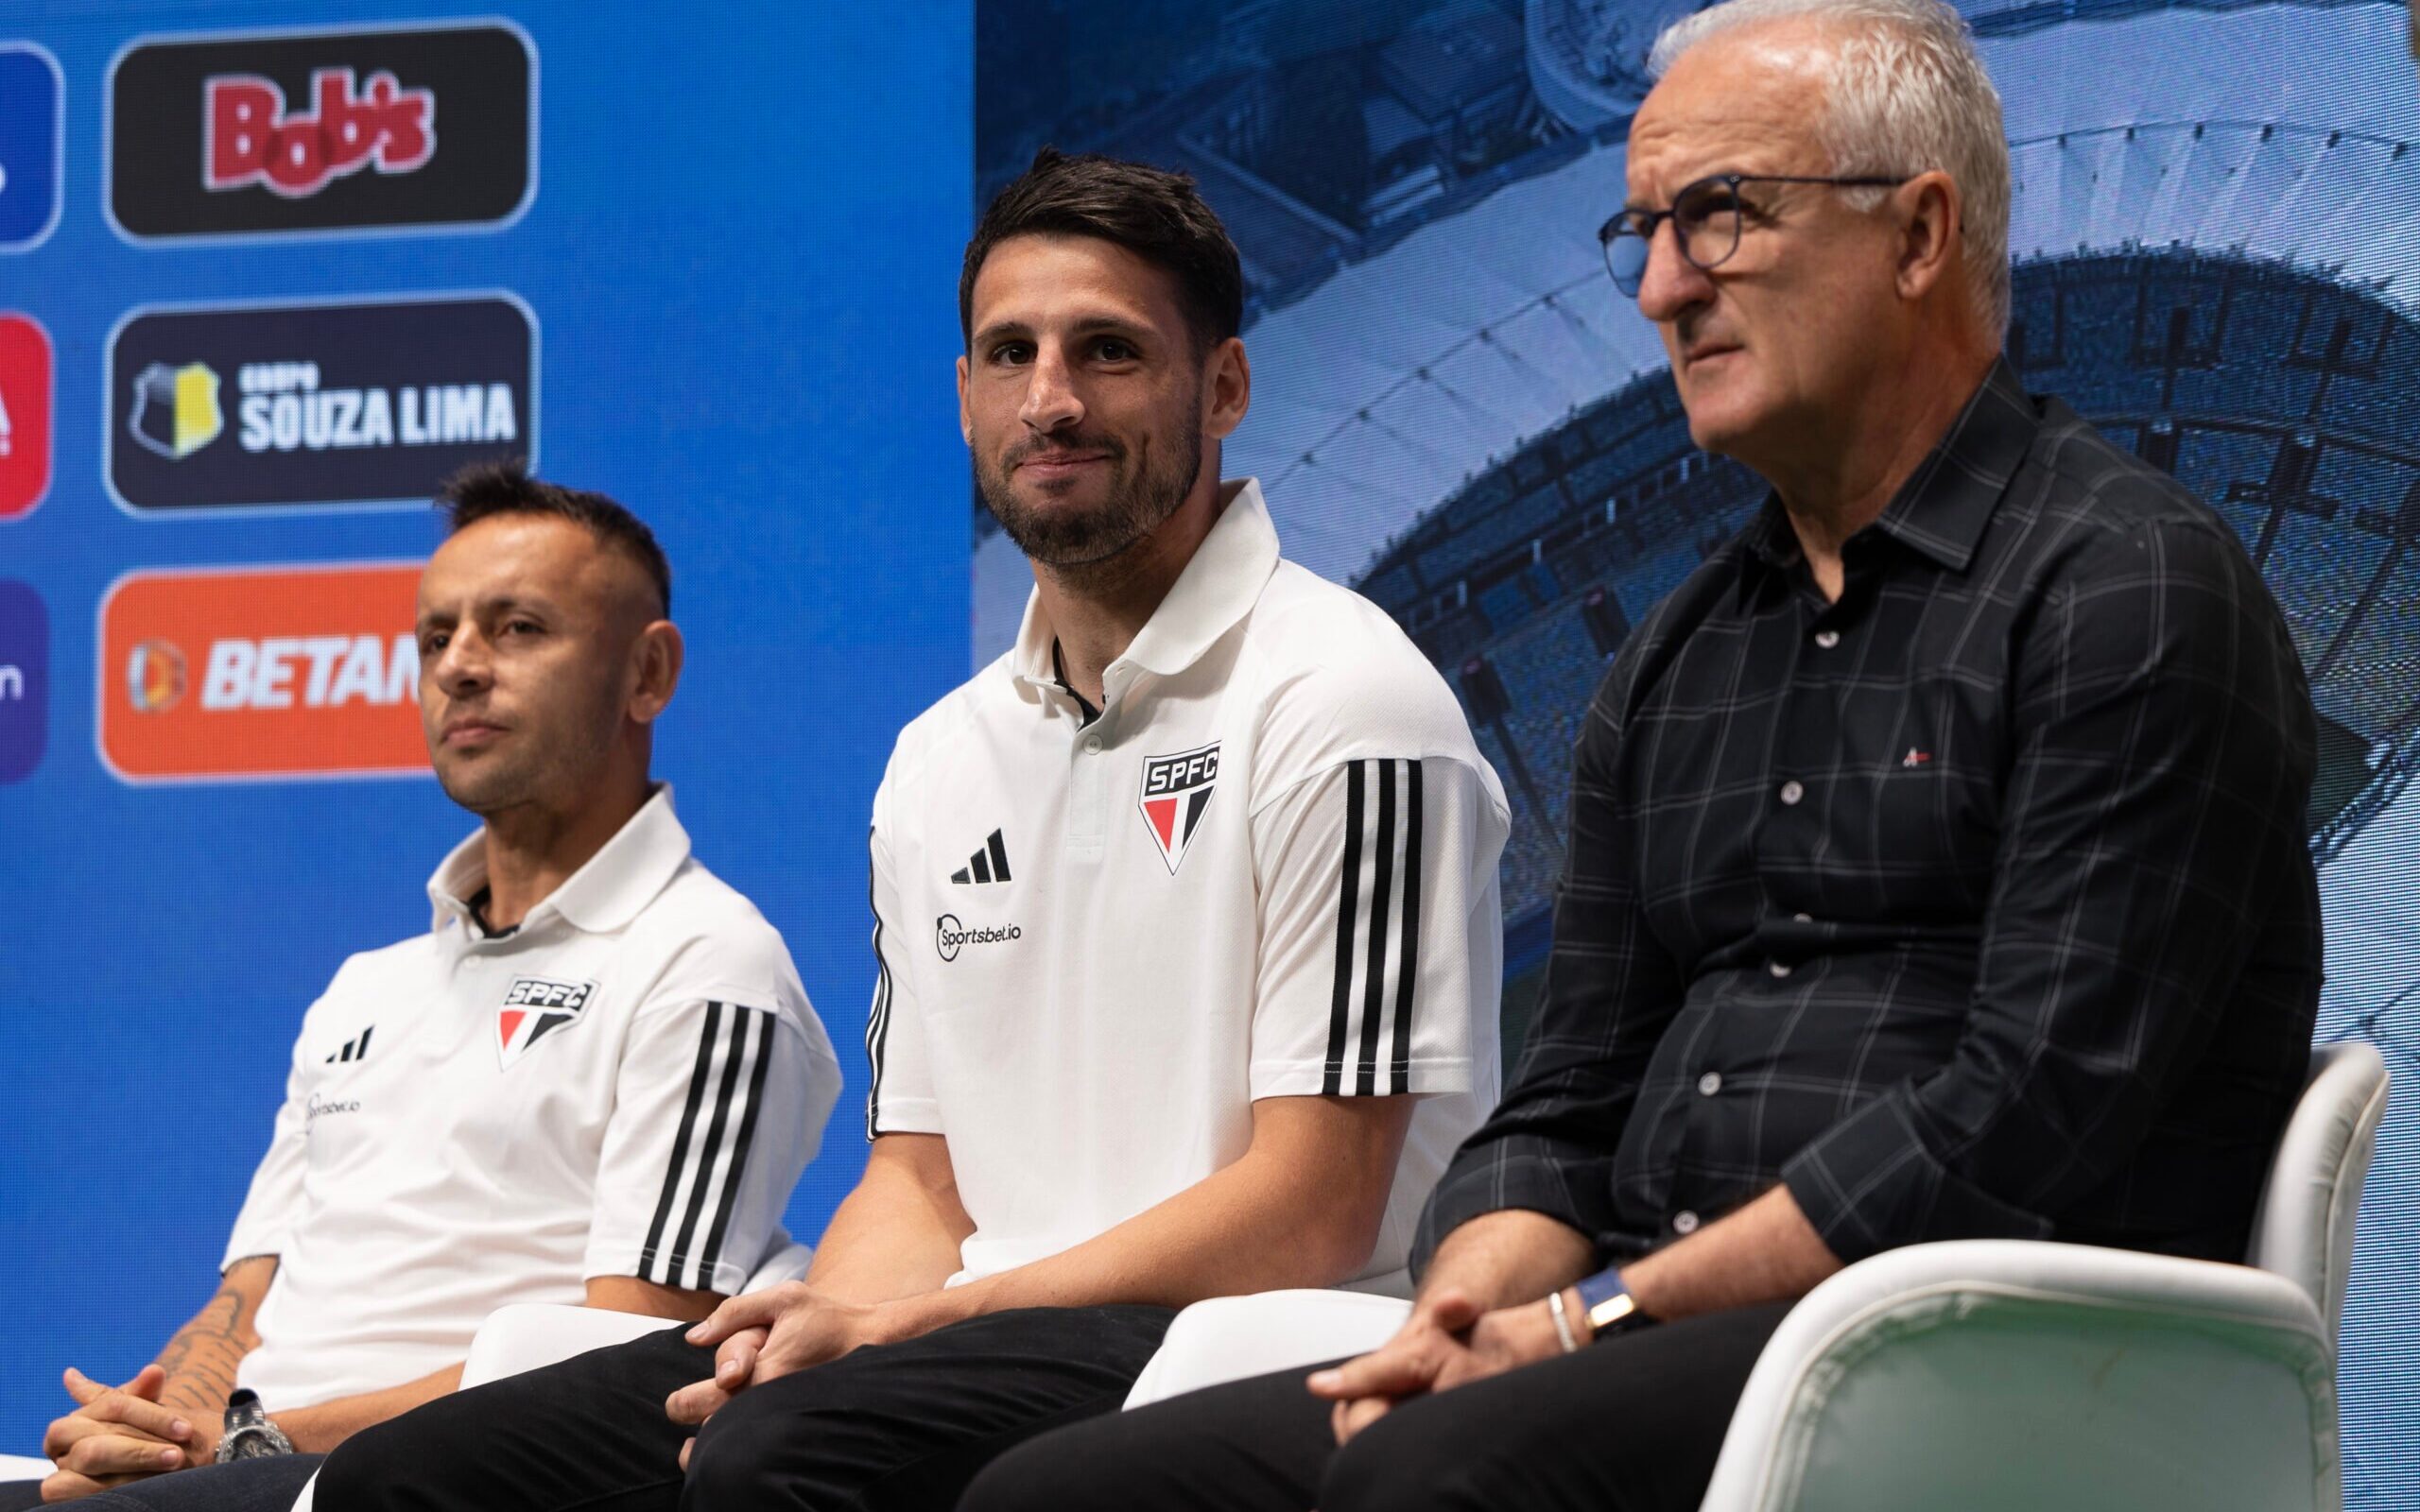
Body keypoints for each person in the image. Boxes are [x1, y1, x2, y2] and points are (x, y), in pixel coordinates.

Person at [959, 2, 2324, 1509]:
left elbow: (2027, 1114)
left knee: (1433, 1477)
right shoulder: (1677, 660)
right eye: (1645, 235)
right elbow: (1565, 1107)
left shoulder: (2129, 582)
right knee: (1064, 1495)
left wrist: (1592, 1317)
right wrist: (1472, 1304)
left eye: (1721, 219)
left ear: (1920, 234)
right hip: (1648, 1334)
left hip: (1994, 1355)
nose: (1664, 287)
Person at [313, 149, 1511, 1512]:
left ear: (1223, 387)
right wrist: (810, 1325)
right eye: (1011, 354)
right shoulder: (938, 759)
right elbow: (920, 1179)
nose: (1050, 400)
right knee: (426, 1474)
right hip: (981, 1326)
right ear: (963, 397)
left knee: (788, 1454)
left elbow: (1315, 1205)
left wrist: (920, 1326)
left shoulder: (1344, 699)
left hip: (1238, 1335)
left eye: (1108, 352)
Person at [6, 465, 842, 1512]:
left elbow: (626, 1365)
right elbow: (242, 1303)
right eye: (435, 637)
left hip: (430, 1479)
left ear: (648, 673)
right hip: (246, 1463)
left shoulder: (708, 961)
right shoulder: (363, 990)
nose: (460, 668)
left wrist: (248, 1445)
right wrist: (150, 1432)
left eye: (518, 628)